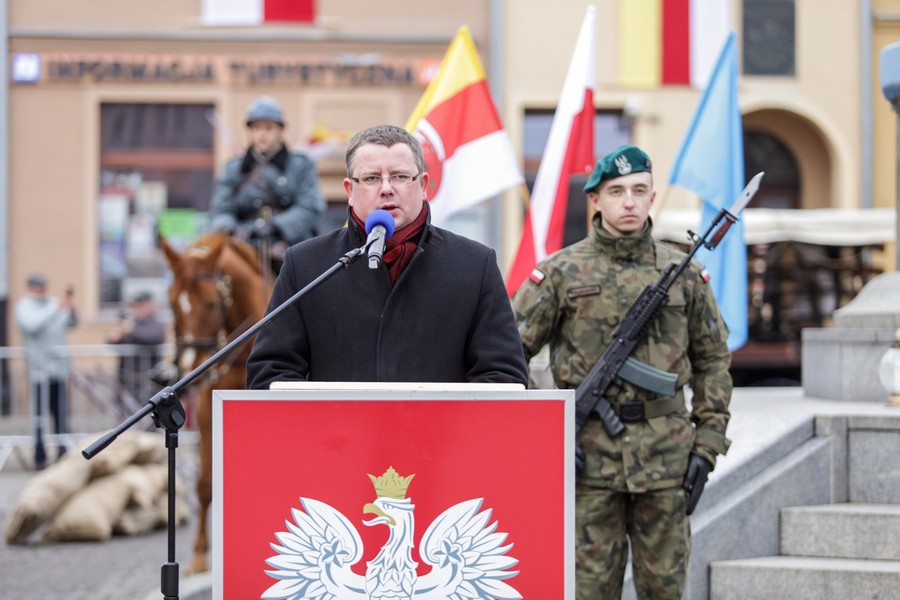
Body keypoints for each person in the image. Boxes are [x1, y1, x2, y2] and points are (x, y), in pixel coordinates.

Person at [510, 145, 733, 599]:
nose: (628, 201)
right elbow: (508, 357)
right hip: (588, 466)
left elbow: (713, 362)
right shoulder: (560, 272)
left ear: (653, 198)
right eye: (616, 191)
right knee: (587, 593)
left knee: (666, 592)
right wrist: (547, 434)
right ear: (595, 199)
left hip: (667, 465)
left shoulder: (684, 272)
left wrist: (707, 445)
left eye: (638, 190)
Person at [247, 124, 527, 388]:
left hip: (440, 439)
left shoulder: (474, 266)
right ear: (350, 191)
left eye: (400, 176)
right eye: (371, 178)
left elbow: (503, 377)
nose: (386, 188)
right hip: (337, 439)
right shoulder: (307, 265)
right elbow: (271, 374)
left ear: (423, 185)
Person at [208, 95, 326, 269]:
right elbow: (220, 209)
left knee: (311, 284)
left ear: (281, 130)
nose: (262, 134)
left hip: (290, 243)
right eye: (256, 128)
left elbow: (310, 206)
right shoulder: (233, 168)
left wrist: (276, 227)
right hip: (244, 244)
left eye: (268, 128)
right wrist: (231, 229)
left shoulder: (301, 165)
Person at [14, 274, 79, 468]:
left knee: (61, 414)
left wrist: (72, 310)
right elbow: (32, 325)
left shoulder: (52, 303)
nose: (43, 291)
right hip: (39, 372)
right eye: (39, 287)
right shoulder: (24, 306)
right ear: (31, 288)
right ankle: (40, 455)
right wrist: (55, 308)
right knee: (40, 417)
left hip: (59, 371)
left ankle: (63, 452)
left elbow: (71, 323)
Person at [105, 291, 166, 404]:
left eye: (143, 305)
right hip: (127, 378)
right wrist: (116, 336)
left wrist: (132, 331)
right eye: (138, 305)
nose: (140, 308)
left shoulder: (155, 322)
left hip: (148, 378)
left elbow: (155, 337)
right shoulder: (131, 321)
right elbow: (112, 343)